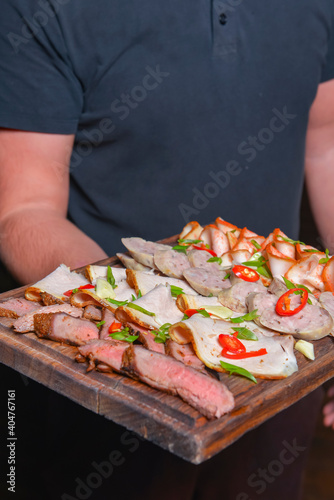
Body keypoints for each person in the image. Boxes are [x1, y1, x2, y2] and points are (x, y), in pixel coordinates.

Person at [0, 1, 334, 499]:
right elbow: (22, 211)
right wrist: (138, 327)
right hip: (119, 390)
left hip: (282, 364)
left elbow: (325, 143)